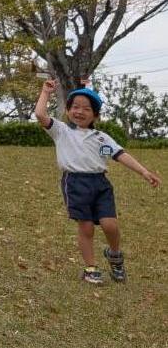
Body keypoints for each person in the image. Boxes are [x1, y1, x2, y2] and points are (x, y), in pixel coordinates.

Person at [34, 79, 161, 284]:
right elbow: (40, 114)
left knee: (110, 225)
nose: (80, 112)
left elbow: (120, 155)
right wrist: (45, 93)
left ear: (95, 115)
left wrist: (144, 172)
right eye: (75, 107)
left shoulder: (102, 138)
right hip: (75, 183)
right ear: (67, 110)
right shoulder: (61, 131)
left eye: (86, 108)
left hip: (100, 184)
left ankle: (115, 255)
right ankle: (90, 268)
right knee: (86, 228)